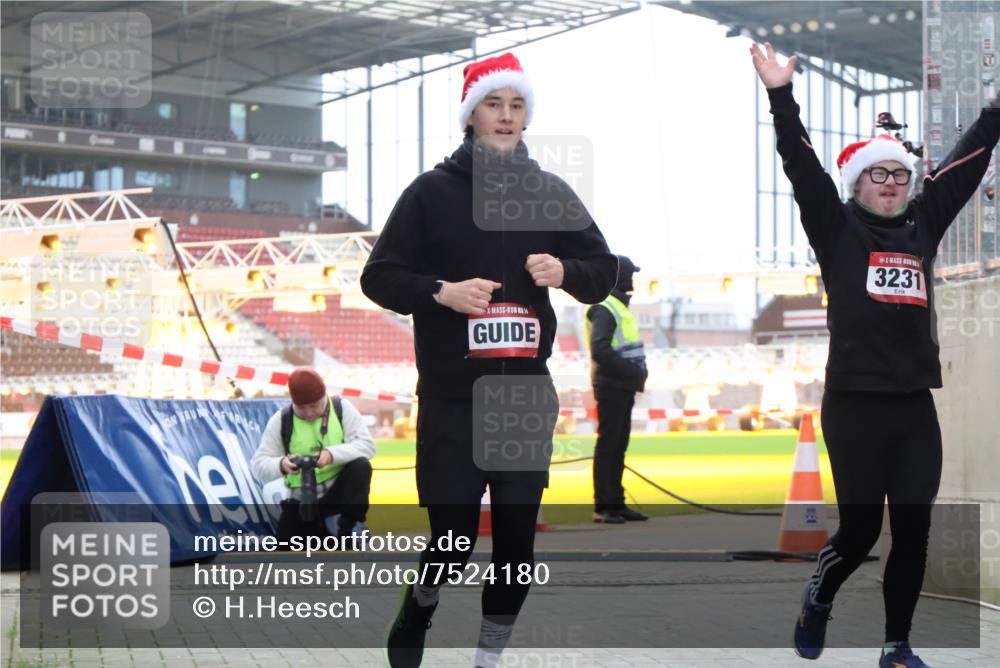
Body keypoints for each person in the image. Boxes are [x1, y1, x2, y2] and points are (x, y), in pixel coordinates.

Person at [361, 52, 616, 668]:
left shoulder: (552, 192)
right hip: (453, 399)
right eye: (494, 104)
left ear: (527, 117)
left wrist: (567, 270)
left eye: (517, 105)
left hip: (523, 401)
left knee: (516, 553)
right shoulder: (429, 192)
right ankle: (419, 605)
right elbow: (379, 276)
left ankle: (488, 657)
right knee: (451, 545)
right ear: (471, 115)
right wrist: (440, 293)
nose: (506, 116)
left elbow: (605, 271)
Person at [751, 42, 1000, 668]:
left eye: (899, 176)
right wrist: (781, 96)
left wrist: (995, 110)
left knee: (913, 531)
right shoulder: (836, 228)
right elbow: (800, 165)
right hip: (855, 405)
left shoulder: (923, 225)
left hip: (914, 406)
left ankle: (896, 645)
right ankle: (820, 595)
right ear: (856, 183)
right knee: (861, 531)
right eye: (876, 175)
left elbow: (966, 163)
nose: (890, 185)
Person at [251, 367, 375, 543]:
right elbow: (258, 466)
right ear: (292, 402)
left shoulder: (342, 408)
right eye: (301, 407)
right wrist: (281, 464)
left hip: (337, 493)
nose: (309, 413)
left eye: (314, 406)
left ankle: (348, 525)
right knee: (286, 545)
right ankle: (322, 533)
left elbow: (368, 446)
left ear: (324, 395)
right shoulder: (281, 420)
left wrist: (332, 455)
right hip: (302, 497)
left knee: (361, 466)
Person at [586, 254, 649, 523]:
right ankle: (605, 506)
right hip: (612, 384)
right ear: (616, 276)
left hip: (622, 385)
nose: (632, 278)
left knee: (618, 445)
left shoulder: (618, 306)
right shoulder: (605, 307)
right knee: (609, 445)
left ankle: (616, 503)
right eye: (628, 273)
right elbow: (600, 349)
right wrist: (632, 371)